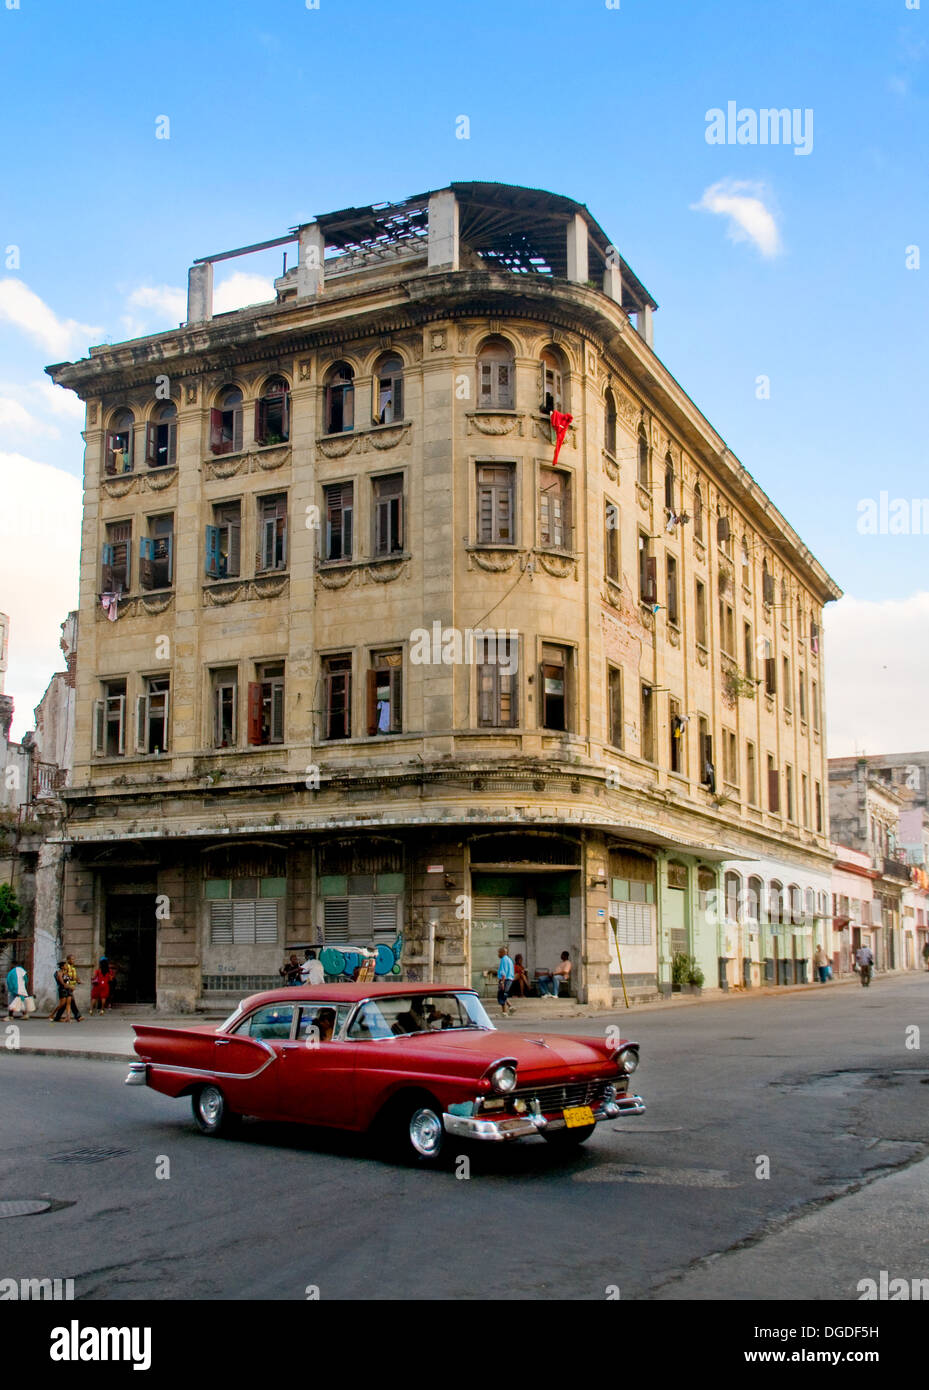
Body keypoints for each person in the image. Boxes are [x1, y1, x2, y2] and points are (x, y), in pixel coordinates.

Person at [51, 957, 82, 1022]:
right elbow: (63, 984)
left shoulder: (66, 973)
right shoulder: (59, 973)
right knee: (62, 1004)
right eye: (65, 965)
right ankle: (52, 1014)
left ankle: (68, 1018)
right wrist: (70, 987)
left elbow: (71, 978)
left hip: (68, 989)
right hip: (62, 990)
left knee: (68, 1004)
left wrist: (77, 981)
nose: (66, 966)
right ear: (62, 967)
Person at [497, 946, 515, 1017]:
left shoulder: (503, 959)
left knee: (501, 995)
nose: (498, 954)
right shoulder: (509, 960)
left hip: (505, 980)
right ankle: (510, 1007)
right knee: (504, 994)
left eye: (499, 952)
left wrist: (502, 982)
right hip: (509, 979)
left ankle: (504, 1012)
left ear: (502, 953)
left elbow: (503, 972)